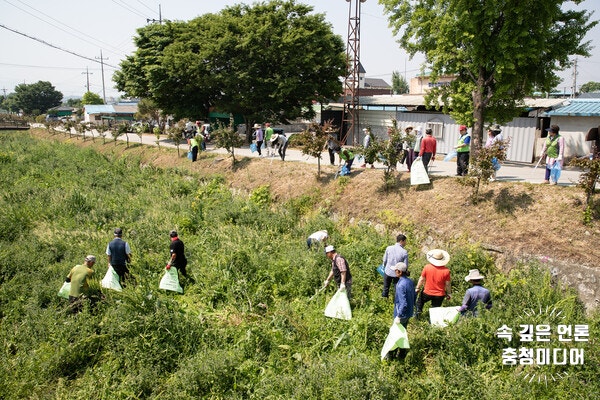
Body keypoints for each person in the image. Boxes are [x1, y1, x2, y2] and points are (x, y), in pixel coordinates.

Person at [415, 249, 452, 319]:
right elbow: (448, 284)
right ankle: (433, 322)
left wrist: (417, 288)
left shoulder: (427, 267)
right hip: (439, 294)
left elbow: (422, 279)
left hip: (427, 292)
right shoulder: (446, 271)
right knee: (435, 310)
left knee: (420, 302)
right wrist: (449, 293)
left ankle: (417, 316)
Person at [382, 234, 409, 298]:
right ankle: (396, 303)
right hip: (397, 274)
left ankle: (383, 300)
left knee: (385, 288)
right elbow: (405, 266)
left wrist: (385, 267)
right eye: (405, 241)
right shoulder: (404, 252)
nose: (405, 243)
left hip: (387, 271)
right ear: (401, 241)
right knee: (397, 290)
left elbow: (384, 260)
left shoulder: (389, 248)